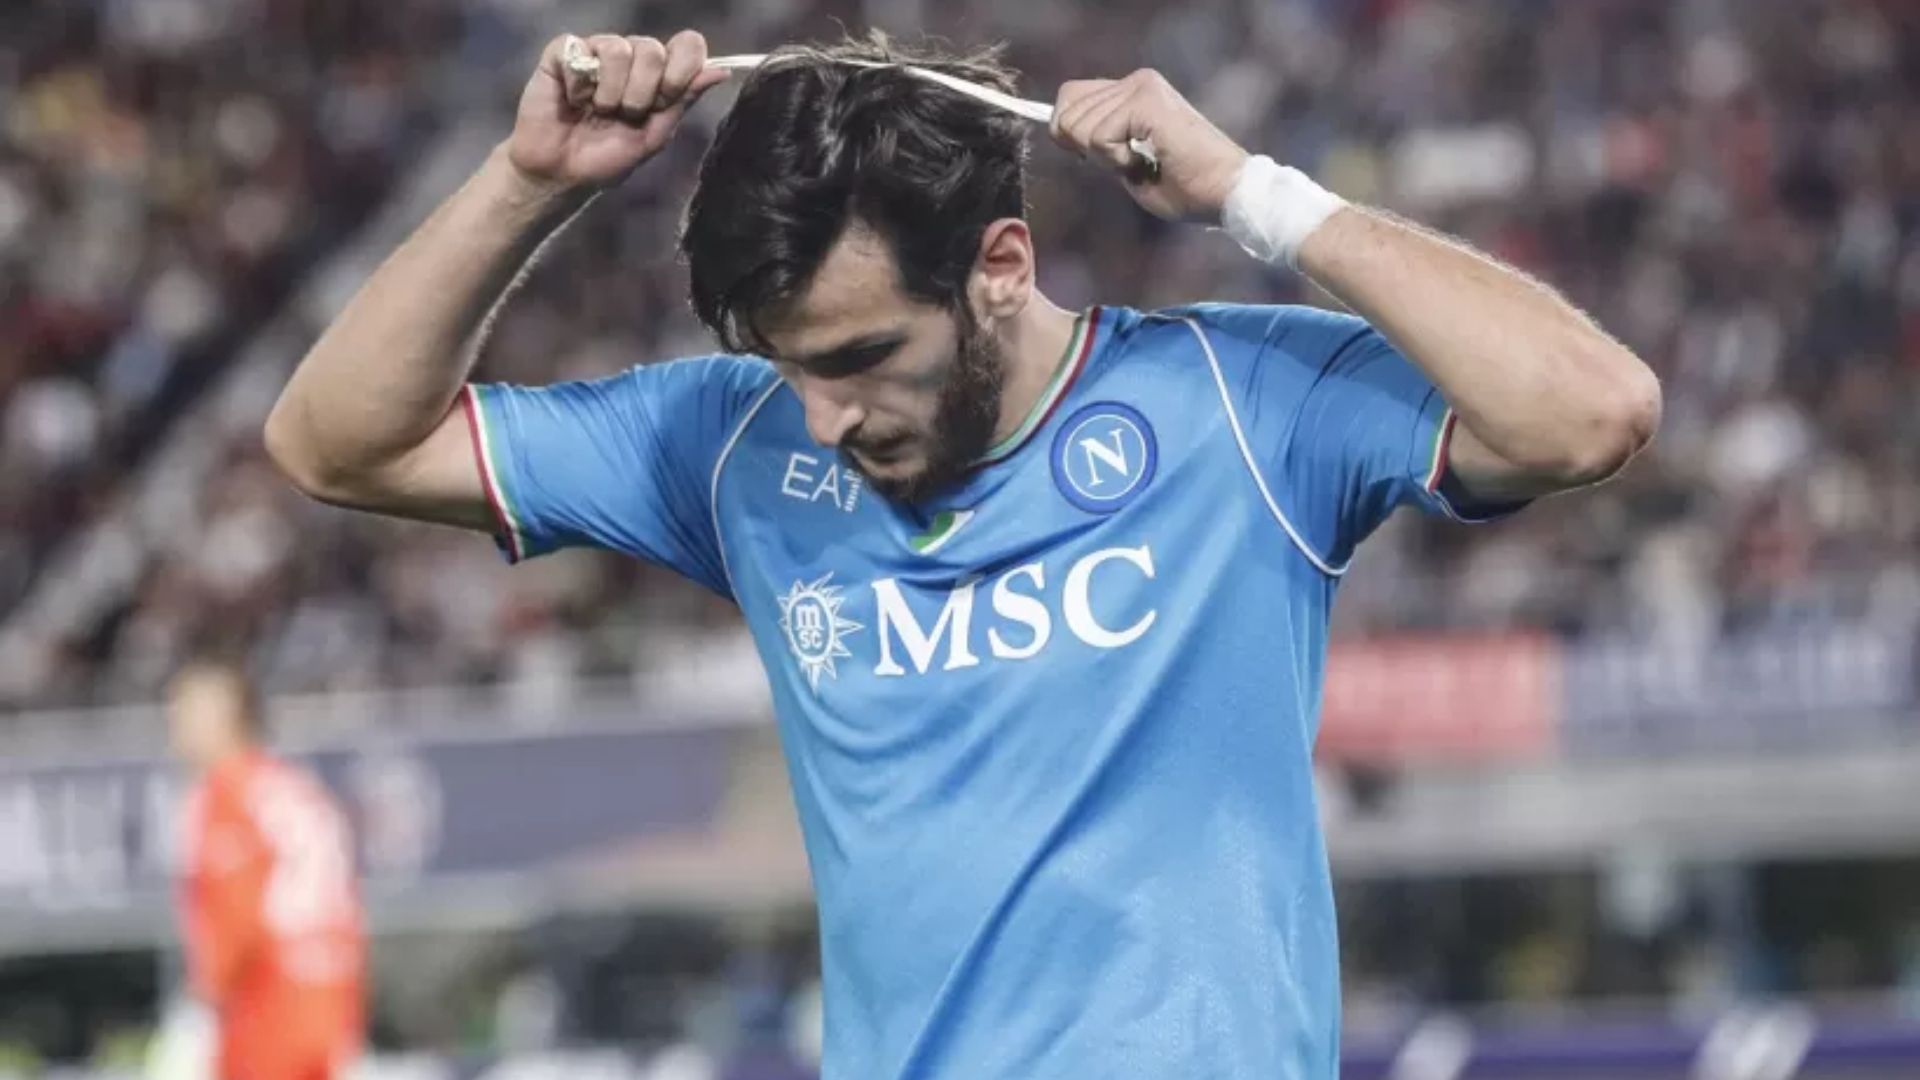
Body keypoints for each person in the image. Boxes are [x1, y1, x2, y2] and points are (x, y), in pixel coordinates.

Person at [263, 28, 1660, 1079]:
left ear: (1001, 264)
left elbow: (1591, 411)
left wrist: (1258, 196)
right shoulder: (731, 447)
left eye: (863, 356)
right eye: (788, 365)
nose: (825, 416)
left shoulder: (1242, 406)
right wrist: (527, 183)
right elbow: (337, 445)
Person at [169, 654, 366, 1080]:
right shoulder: (294, 787)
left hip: (268, 1003)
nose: (176, 727)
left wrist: (202, 1002)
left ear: (225, 718)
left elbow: (236, 914)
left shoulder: (227, 793)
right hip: (329, 996)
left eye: (186, 711)